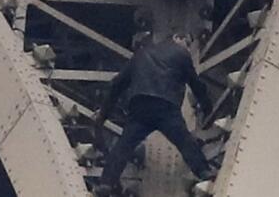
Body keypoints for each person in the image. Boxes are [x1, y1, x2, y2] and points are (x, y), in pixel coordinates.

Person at [92, 32, 215, 195]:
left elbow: (117, 85)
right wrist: (207, 108)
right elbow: (195, 83)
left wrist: (103, 115)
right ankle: (203, 172)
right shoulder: (181, 54)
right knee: (184, 140)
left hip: (140, 105)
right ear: (177, 38)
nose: (188, 47)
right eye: (188, 42)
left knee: (124, 145)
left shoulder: (141, 54)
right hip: (166, 105)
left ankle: (106, 182)